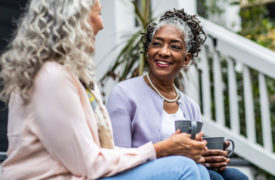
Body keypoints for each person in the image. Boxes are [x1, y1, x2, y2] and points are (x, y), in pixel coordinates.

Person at [0, 0, 210, 179]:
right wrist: (160, 150)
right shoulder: (50, 77)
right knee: (184, 169)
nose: (101, 24)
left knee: (204, 170)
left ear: (187, 59)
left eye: (175, 47)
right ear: (75, 19)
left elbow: (100, 154)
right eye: (98, 14)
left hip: (84, 173)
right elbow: (88, 164)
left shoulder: (75, 75)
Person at [107, 9, 249, 180]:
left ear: (186, 59)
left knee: (236, 176)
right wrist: (169, 152)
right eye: (157, 44)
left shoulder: (190, 106)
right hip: (140, 173)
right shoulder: (123, 94)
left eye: (174, 47)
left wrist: (206, 157)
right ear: (148, 50)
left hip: (184, 172)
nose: (164, 52)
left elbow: (190, 155)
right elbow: (118, 158)